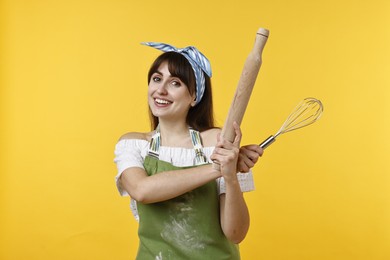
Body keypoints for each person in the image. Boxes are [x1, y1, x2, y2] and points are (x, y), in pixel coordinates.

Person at [114, 42, 263, 259]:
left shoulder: (219, 143)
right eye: (157, 79)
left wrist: (230, 177)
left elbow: (235, 233)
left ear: (194, 96)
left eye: (175, 83)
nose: (161, 89)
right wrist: (218, 168)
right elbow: (142, 191)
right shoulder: (133, 144)